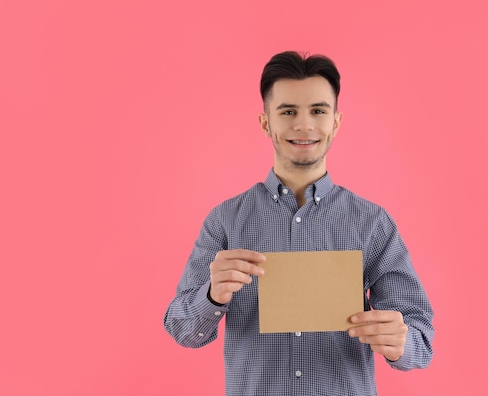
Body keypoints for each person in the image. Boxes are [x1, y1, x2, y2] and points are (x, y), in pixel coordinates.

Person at [163, 51, 434, 396]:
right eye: (288, 111)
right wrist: (213, 296)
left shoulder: (373, 223)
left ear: (335, 122)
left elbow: (421, 343)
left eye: (318, 111)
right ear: (266, 123)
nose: (303, 125)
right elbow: (182, 330)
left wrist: (400, 341)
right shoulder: (225, 221)